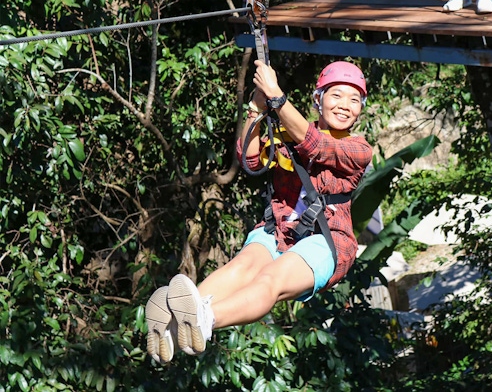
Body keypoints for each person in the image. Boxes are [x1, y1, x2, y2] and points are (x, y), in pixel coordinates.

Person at [145, 60, 373, 364]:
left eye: (354, 99)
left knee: (270, 280)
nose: (345, 105)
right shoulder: (287, 131)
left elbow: (317, 146)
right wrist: (256, 107)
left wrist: (276, 96)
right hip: (278, 228)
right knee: (240, 268)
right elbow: (250, 160)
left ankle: (204, 319)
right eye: (336, 96)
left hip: (326, 239)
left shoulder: (359, 149)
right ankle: (177, 325)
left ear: (360, 109)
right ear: (318, 100)